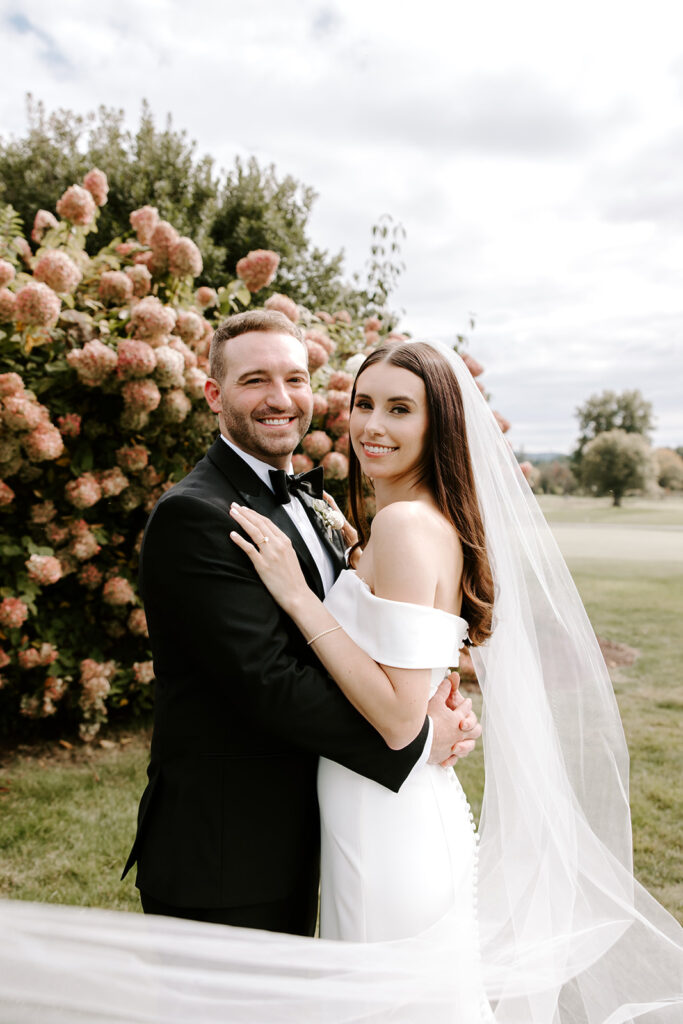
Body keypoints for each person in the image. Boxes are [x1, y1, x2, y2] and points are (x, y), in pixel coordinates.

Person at [121, 309, 480, 934]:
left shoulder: (319, 507)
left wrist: (426, 696)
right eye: (255, 380)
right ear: (214, 394)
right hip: (229, 849)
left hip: (321, 829)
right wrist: (419, 737)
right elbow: (271, 681)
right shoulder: (197, 516)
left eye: (295, 378)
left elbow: (370, 644)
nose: (280, 398)